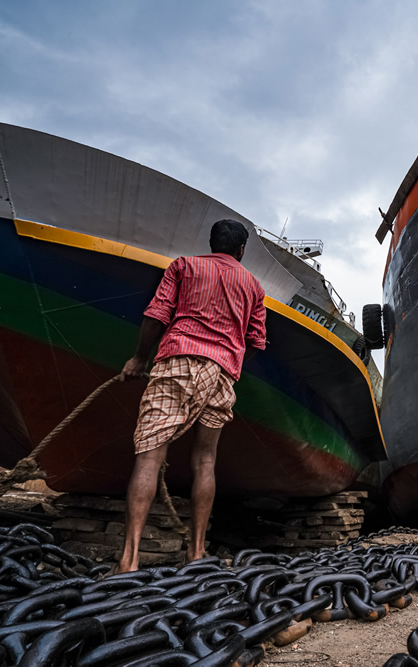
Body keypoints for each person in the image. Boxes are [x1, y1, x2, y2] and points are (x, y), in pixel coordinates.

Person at [116, 219, 267, 573]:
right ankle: (197, 552)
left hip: (177, 361)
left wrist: (139, 358)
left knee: (150, 458)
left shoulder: (184, 266)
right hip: (222, 374)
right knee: (205, 461)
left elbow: (156, 316)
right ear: (241, 250)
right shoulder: (254, 287)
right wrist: (229, 362)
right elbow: (256, 342)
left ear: (212, 243)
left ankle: (129, 560)